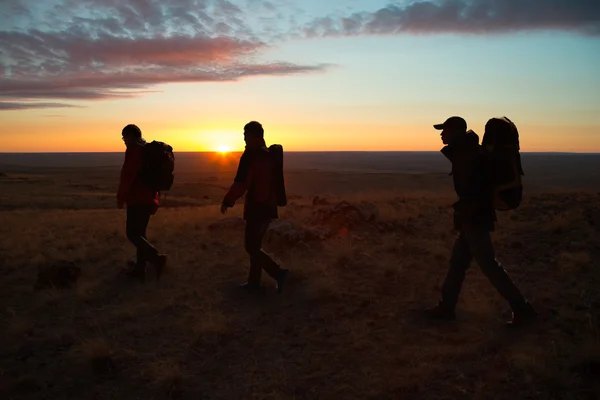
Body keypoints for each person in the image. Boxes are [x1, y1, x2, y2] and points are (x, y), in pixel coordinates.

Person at [425, 116, 536, 327]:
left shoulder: (467, 155)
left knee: (488, 264)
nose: (441, 134)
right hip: (472, 217)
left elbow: (476, 191)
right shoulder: (468, 152)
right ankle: (447, 307)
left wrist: (468, 211)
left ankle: (522, 309)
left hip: (475, 218)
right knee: (458, 263)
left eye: (445, 130)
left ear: (456, 131)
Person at [221, 121, 289, 293]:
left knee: (251, 247)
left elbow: (242, 182)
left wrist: (228, 200)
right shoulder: (268, 154)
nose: (244, 138)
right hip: (269, 206)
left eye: (246, 134)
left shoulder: (251, 155)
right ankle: (254, 283)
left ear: (253, 136)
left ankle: (279, 273)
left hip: (257, 208)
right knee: (255, 246)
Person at [117, 124, 167, 280]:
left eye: (125, 136)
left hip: (137, 199)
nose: (124, 140)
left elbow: (128, 176)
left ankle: (156, 258)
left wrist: (121, 197)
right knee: (140, 234)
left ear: (131, 136)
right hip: (149, 198)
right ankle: (140, 270)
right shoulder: (146, 149)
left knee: (132, 234)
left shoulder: (134, 151)